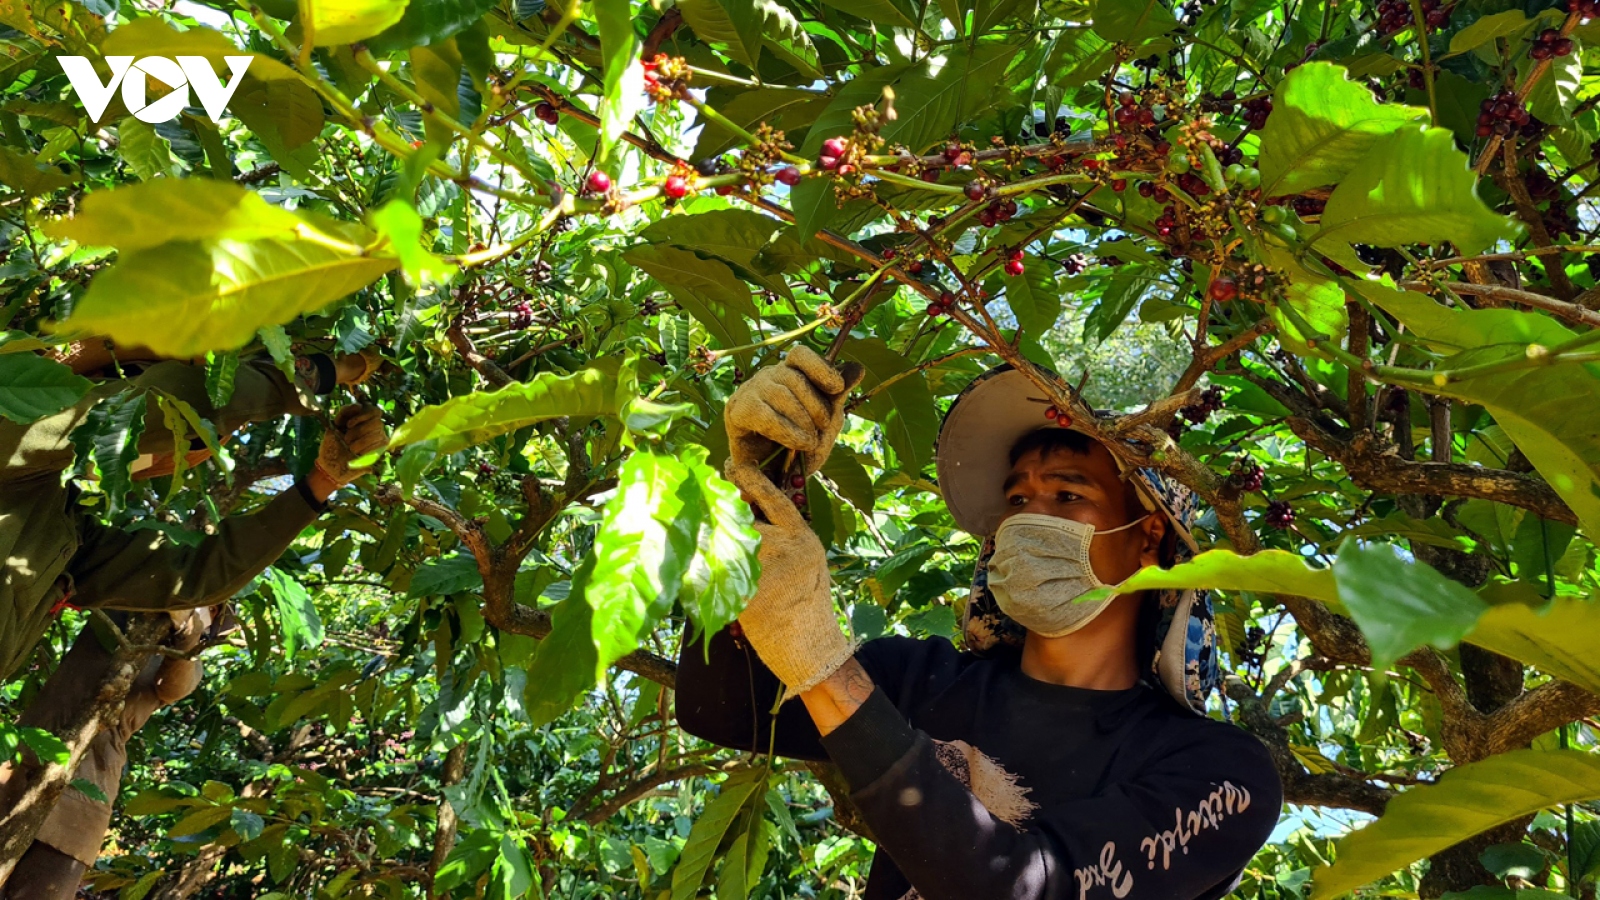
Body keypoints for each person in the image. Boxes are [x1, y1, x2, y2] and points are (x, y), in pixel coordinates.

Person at [677, 352, 1283, 900]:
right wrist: (755, 493)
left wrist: (825, 668)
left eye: (1069, 496)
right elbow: (724, 708)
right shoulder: (918, 679)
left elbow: (1024, 887)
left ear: (1149, 537)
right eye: (1016, 501)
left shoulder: (1221, 772)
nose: (1028, 520)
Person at [0, 344, 382, 683]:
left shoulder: (57, 526)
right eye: (130, 379)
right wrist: (316, 372)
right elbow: (166, 408)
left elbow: (194, 575)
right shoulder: (14, 434)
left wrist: (323, 481)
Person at [0, 607, 216, 899]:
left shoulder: (187, 663)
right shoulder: (120, 609)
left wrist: (187, 634)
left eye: (213, 609)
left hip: (86, 789)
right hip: (22, 760)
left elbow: (172, 687)